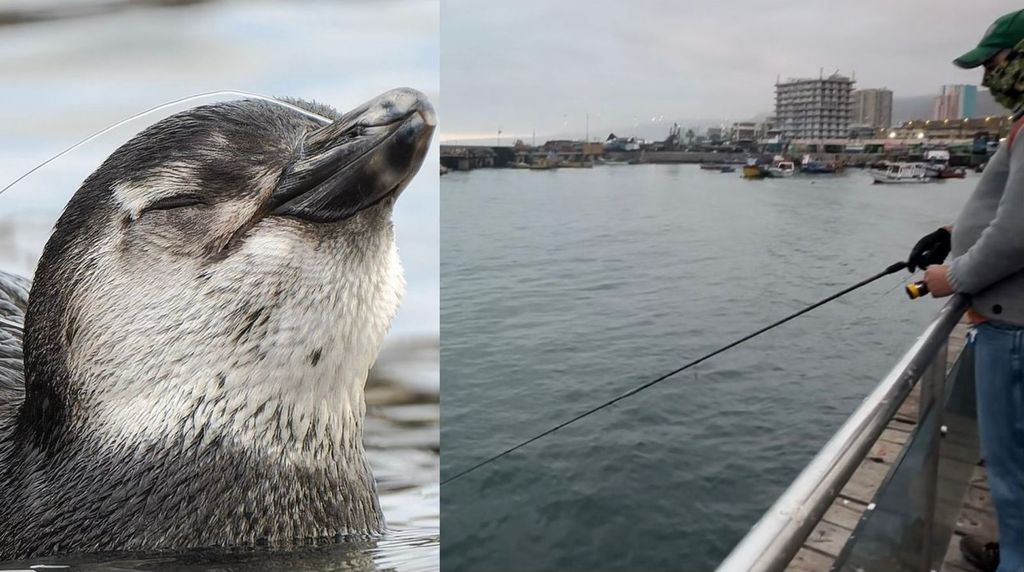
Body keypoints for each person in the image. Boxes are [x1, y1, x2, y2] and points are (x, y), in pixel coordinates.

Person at [908, 8, 1024, 572]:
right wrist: (956, 234)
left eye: (995, 62)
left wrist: (950, 277)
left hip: (1015, 328)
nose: (988, 79)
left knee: (1012, 463)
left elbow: (1015, 234)